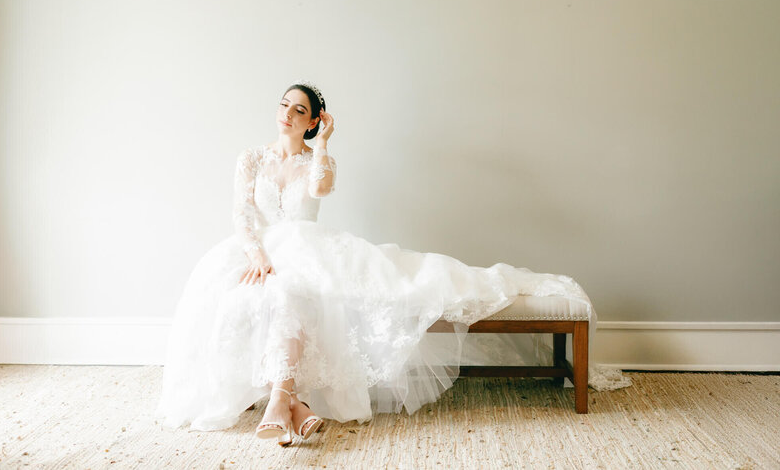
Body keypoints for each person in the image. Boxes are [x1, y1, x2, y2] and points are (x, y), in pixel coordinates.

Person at [154, 80, 630, 446]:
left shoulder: (322, 159)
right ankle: (288, 402)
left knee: (339, 286)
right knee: (272, 291)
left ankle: (282, 398)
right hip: (259, 250)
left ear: (314, 121)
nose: (287, 114)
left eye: (300, 110)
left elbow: (319, 190)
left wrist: (322, 146)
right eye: (284, 105)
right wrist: (256, 253)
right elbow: (241, 212)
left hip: (309, 248)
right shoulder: (251, 158)